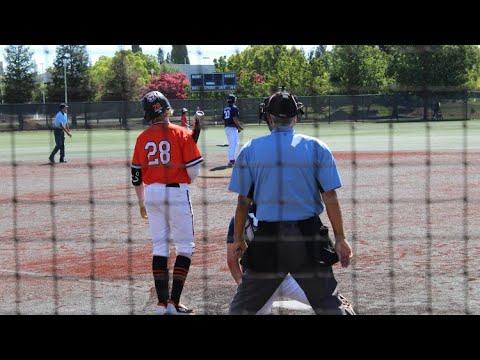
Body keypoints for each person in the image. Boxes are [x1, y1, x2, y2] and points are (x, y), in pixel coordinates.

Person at [228, 89, 355, 315]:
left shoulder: (249, 150)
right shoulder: (317, 147)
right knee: (328, 305)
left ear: (268, 117)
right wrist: (340, 238)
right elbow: (330, 197)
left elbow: (242, 203)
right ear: (296, 117)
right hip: (308, 236)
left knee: (241, 309)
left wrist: (238, 238)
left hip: (269, 240)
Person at [131, 91, 204, 315]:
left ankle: (161, 305)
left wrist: (141, 201)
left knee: (160, 247)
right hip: (176, 194)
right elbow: (193, 173)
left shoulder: (142, 137)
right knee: (185, 247)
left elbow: (136, 176)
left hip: (152, 195)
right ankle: (174, 302)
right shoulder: (182, 133)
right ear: (167, 109)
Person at [226, 196, 312, 315]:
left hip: (256, 281)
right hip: (290, 277)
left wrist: (244, 286)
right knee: (328, 301)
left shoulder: (238, 220)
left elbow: (231, 260)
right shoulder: (286, 212)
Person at [222, 94, 243, 167]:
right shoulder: (234, 108)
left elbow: (224, 118)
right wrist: (239, 126)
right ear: (233, 100)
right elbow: (235, 119)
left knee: (232, 144)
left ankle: (233, 159)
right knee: (234, 144)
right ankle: (232, 160)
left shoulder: (225, 108)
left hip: (227, 127)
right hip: (232, 128)